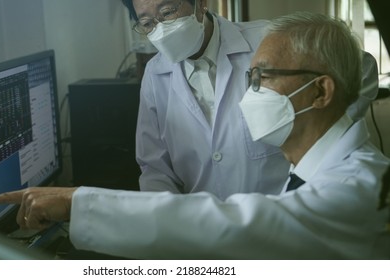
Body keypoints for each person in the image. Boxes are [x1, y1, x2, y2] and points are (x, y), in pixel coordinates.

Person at [0, 11, 390, 259]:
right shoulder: (308, 173)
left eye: (262, 77)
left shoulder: (361, 186)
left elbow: (246, 224)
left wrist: (78, 202)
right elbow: (155, 168)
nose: (252, 93)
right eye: (146, 20)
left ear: (320, 90)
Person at [122, 0, 379, 199]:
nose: (160, 30)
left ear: (200, 4)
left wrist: (325, 136)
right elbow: (155, 167)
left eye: (167, 12)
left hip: (283, 215)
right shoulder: (156, 74)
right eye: (147, 24)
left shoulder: (267, 41)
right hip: (203, 232)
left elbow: (363, 68)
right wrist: (168, 223)